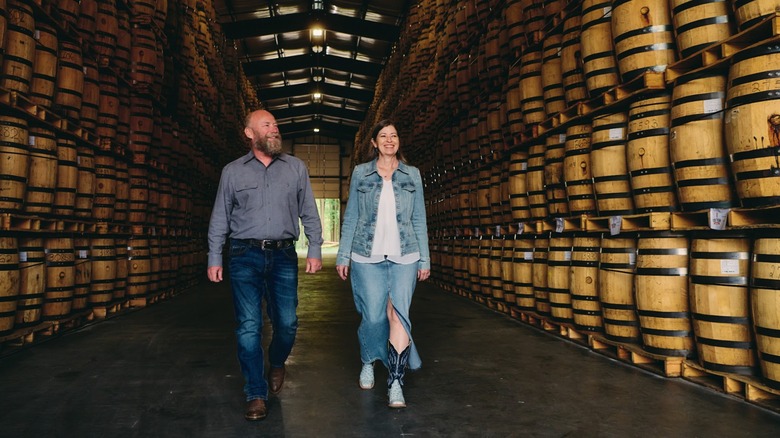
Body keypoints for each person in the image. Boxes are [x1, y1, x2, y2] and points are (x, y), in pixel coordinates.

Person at [207, 109, 323, 421]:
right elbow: (220, 216)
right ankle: (255, 393)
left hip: (284, 255)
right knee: (249, 326)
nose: (274, 129)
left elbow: (309, 211)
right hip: (244, 254)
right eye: (266, 125)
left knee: (286, 323)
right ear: (249, 133)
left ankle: (277, 361)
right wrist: (214, 256)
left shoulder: (295, 168)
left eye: (274, 124)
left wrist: (314, 248)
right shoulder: (232, 172)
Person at [336, 119, 430, 409]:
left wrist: (425, 258)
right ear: (374, 143)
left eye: (394, 135)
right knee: (374, 316)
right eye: (383, 136)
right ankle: (368, 360)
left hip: (405, 256)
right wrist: (343, 254)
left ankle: (396, 381)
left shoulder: (412, 175)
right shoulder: (361, 173)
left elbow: (419, 219)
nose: (390, 140)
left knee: (399, 316)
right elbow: (351, 216)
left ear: (398, 141)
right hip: (367, 255)